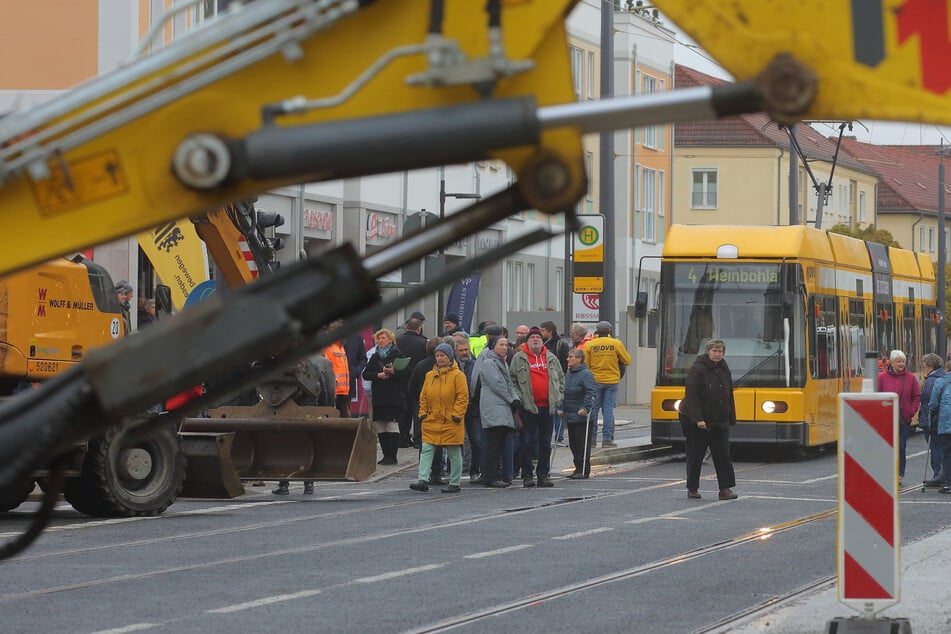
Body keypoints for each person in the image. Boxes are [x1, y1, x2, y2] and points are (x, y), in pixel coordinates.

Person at [679, 339, 738, 500]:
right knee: (696, 453)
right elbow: (691, 396)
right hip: (696, 419)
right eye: (714, 351)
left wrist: (731, 417)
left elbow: (728, 394)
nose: (717, 354)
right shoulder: (697, 369)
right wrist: (698, 419)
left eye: (720, 352)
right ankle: (692, 488)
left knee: (723, 454)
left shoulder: (724, 367)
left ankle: (725, 489)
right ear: (708, 352)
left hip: (719, 418)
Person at [410, 343, 469, 493]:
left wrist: (456, 415)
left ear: (449, 357)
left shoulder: (458, 375)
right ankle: (423, 479)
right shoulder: (430, 375)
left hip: (451, 420)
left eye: (442, 355)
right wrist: (423, 413)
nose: (439, 358)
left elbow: (463, 397)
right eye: (437, 355)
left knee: (454, 451)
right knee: (427, 449)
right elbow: (423, 396)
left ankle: (455, 482)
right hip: (432, 419)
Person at [510, 326, 564, 487]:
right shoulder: (519, 358)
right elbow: (512, 380)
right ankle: (527, 475)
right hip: (528, 407)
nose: (535, 340)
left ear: (542, 341)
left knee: (545, 443)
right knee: (526, 441)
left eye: (538, 338)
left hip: (548, 407)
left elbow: (561, 379)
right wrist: (520, 398)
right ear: (527, 341)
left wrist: (559, 396)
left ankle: (543, 474)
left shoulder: (551, 358)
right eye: (532, 338)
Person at [362, 328, 411, 466]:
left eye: (383, 338)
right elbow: (366, 374)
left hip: (393, 395)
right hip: (379, 396)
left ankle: (392, 456)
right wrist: (377, 375)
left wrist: (393, 372)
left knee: (392, 424)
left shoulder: (397, 353)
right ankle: (385, 455)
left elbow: (407, 373)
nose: (380, 341)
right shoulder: (375, 356)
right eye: (378, 338)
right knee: (380, 426)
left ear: (390, 339)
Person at [479, 335, 521, 488]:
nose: (505, 347)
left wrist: (515, 398)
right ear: (493, 347)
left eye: (506, 345)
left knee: (498, 444)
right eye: (501, 345)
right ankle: (490, 477)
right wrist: (512, 399)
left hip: (502, 408)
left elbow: (509, 384)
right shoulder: (489, 362)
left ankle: (495, 475)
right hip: (494, 408)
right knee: (493, 444)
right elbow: (497, 384)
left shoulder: (502, 363)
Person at [584, 321, 631, 448]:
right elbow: (627, 360)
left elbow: (586, 364)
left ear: (597, 331)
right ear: (610, 331)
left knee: (593, 410)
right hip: (612, 381)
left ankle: (592, 440)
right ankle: (607, 439)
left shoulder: (590, 344)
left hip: (595, 381)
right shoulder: (616, 344)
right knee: (608, 410)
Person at [877, 349, 920, 484]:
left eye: (903, 361)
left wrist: (911, 411)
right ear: (892, 362)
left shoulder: (911, 378)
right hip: (886, 418)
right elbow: (877, 395)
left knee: (901, 446)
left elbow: (916, 396)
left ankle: (899, 474)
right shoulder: (882, 377)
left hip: (903, 419)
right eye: (898, 361)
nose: (901, 364)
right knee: (886, 446)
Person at [559, 348, 597, 479]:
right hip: (570, 414)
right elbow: (565, 392)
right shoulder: (569, 373)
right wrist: (562, 407)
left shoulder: (586, 374)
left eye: (571, 357)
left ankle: (583, 470)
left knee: (582, 444)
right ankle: (577, 468)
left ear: (579, 359)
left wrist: (586, 408)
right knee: (574, 444)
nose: (568, 359)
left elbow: (590, 392)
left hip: (582, 416)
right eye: (568, 357)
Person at [396, 317, 429, 446]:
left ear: (406, 327)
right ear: (419, 328)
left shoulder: (397, 341)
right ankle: (418, 439)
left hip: (401, 381)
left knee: (403, 411)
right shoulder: (423, 342)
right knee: (418, 410)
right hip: (419, 381)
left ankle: (403, 438)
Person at [453, 334, 481, 483]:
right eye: (461, 350)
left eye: (466, 349)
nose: (465, 353)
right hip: (456, 409)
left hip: (473, 409)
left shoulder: (476, 364)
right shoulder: (452, 366)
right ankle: (455, 471)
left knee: (476, 441)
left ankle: (475, 470)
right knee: (455, 442)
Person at [541, 320, 572, 442]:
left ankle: (559, 435)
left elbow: (564, 363)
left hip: (556, 381)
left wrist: (560, 377)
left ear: (550, 332)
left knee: (558, 408)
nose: (541, 333)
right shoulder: (541, 343)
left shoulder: (560, 344)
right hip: (543, 380)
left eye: (543, 330)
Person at [920, 353, 946, 486]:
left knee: (935, 448)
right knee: (943, 448)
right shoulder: (942, 376)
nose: (923, 367)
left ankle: (938, 475)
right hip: (942, 420)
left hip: (932, 419)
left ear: (930, 366)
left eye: (924, 365)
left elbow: (928, 401)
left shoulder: (931, 380)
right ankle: (943, 475)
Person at [928, 365, 951, 494]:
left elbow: (933, 405)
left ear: (947, 370)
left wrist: (931, 425)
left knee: (947, 454)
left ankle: (948, 484)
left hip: (946, 424)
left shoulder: (940, 382)